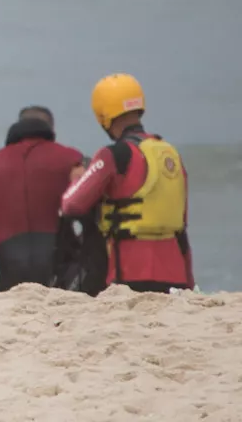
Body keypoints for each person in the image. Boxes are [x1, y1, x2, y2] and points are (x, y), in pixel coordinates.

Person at [60, 74, 194, 294]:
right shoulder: (170, 153)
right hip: (176, 275)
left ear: (103, 115)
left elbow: (71, 204)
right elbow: (181, 224)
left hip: (131, 274)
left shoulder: (113, 154)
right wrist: (189, 282)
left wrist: (77, 178)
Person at [0, 106, 84, 292]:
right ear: (51, 130)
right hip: (59, 272)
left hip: (11, 275)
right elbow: (95, 207)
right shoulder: (71, 159)